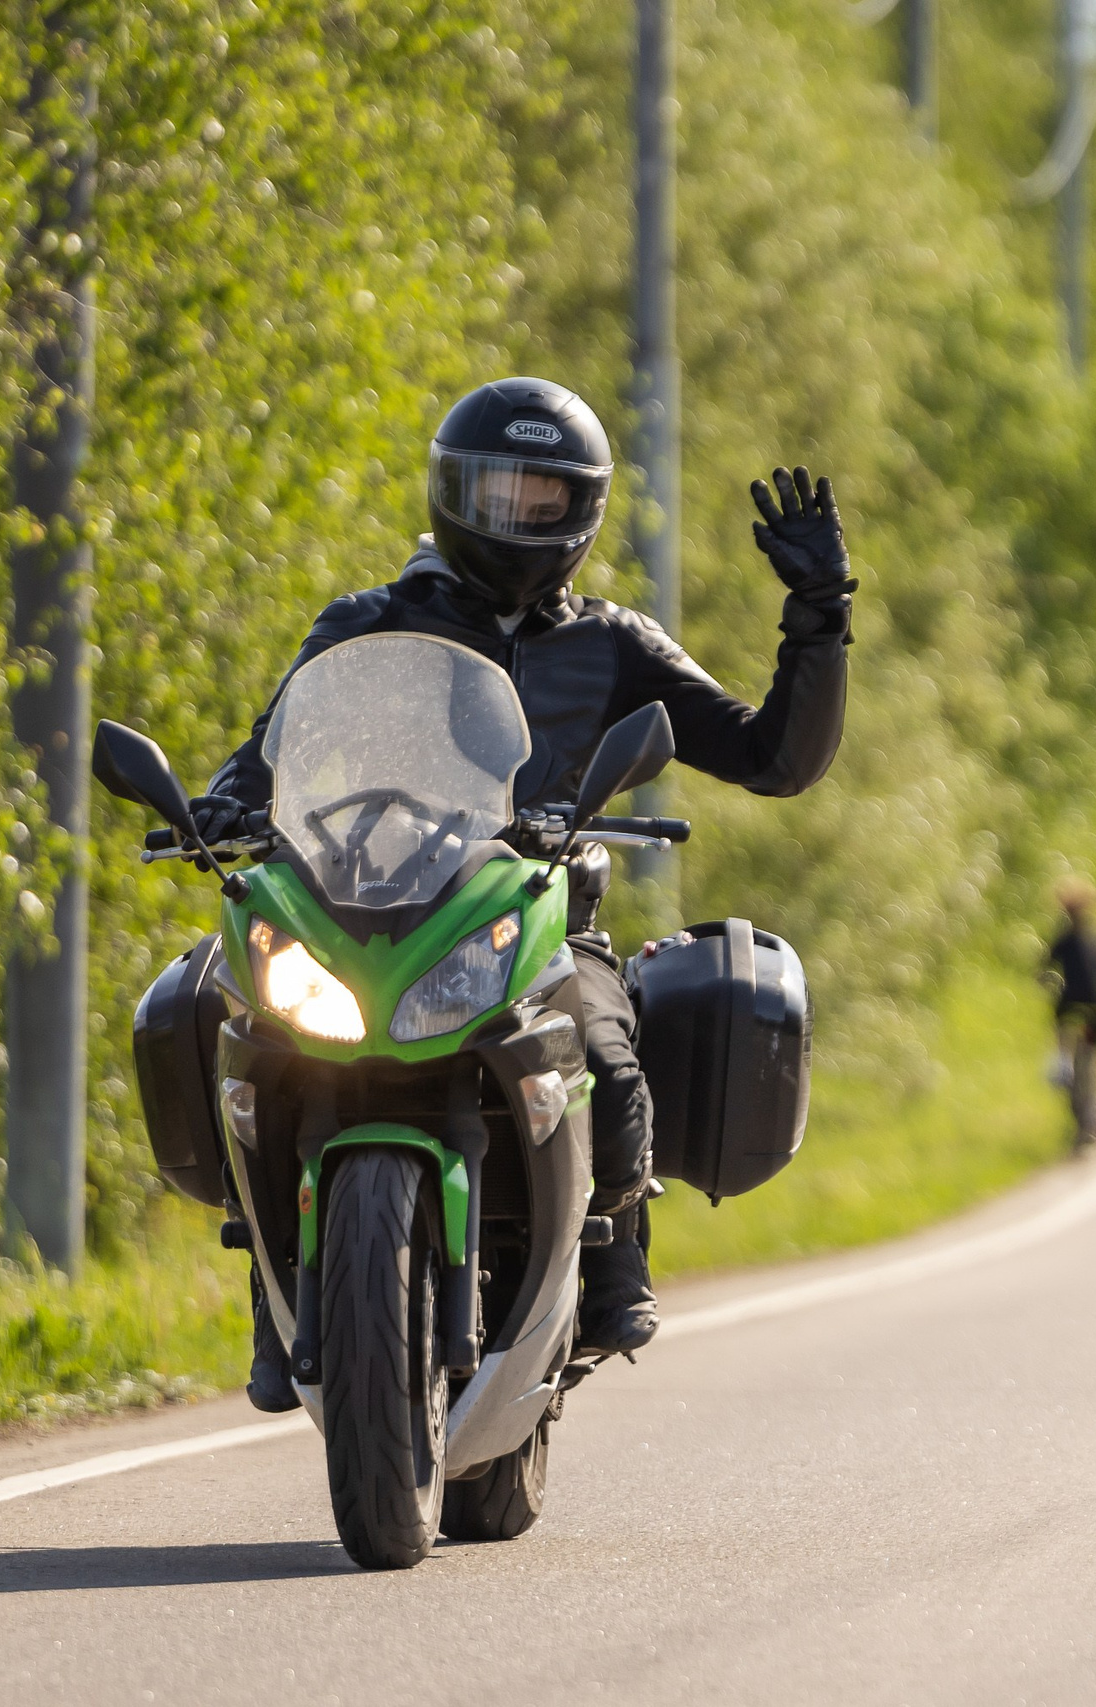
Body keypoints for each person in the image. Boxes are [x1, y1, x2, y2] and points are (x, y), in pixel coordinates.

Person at [198, 377, 857, 1409]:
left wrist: (819, 618)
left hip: (536, 922)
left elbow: (775, 760)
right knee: (246, 1024)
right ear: (448, 491)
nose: (514, 516)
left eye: (540, 498)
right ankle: (271, 1284)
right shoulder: (369, 625)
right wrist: (216, 806)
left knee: (602, 1043)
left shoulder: (613, 644)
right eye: (494, 491)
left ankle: (610, 1257)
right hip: (371, 908)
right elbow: (271, 751)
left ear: (581, 509)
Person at [1042, 880, 1096, 1149]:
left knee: (1062, 1019)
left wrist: (1046, 979)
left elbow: (1044, 968)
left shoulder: (1062, 939)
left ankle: (1062, 1061)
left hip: (1070, 1004)